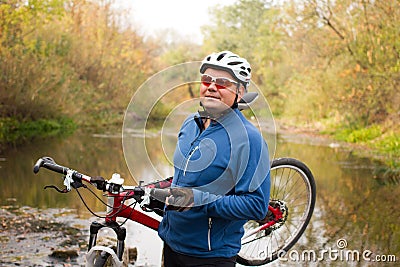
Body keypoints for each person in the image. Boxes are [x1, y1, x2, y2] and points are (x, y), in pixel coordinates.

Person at [152, 51, 271, 266]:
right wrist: (160, 188)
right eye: (207, 80)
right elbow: (187, 177)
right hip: (171, 243)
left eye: (223, 83)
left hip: (210, 256)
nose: (212, 87)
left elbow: (256, 205)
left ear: (241, 92)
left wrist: (198, 200)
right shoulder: (190, 124)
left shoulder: (249, 140)